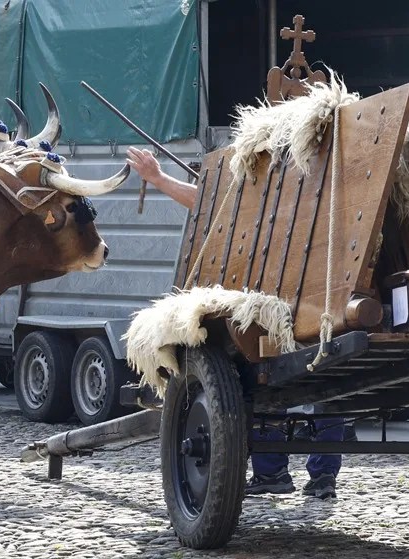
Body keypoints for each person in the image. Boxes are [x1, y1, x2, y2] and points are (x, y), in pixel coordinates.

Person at [127, 146, 346, 498]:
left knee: (260, 376)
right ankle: (319, 477)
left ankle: (277, 474)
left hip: (285, 306)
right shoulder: (321, 179)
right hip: (316, 302)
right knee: (326, 383)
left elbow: (206, 204)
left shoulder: (279, 182)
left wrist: (157, 177)